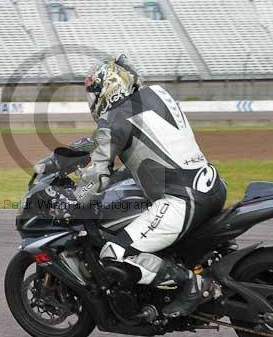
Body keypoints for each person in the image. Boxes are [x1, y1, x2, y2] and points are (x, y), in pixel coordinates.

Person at [71, 54, 226, 317]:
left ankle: (192, 285)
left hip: (181, 203)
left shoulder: (115, 118)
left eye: (94, 93)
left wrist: (76, 201)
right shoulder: (156, 93)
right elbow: (138, 144)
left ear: (108, 87)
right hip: (212, 185)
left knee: (114, 254)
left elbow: (97, 173)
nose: (93, 101)